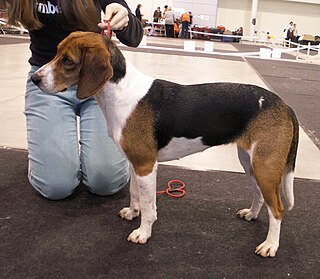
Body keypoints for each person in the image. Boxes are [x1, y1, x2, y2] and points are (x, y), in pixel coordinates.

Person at [1, 0, 143, 200]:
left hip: (95, 82)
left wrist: (125, 19)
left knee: (107, 181)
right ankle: (51, 158)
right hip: (45, 77)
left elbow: (135, 37)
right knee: (56, 186)